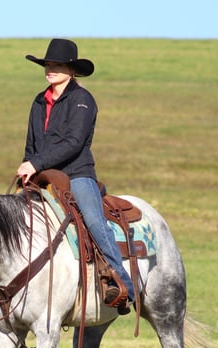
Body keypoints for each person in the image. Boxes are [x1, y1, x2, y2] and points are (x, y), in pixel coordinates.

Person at [17, 38, 135, 312]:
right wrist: (28, 166)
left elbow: (74, 142)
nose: (51, 69)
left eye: (57, 65)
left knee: (94, 220)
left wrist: (36, 163)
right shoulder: (39, 100)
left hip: (76, 173)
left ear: (71, 70)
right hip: (41, 173)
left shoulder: (82, 100)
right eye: (48, 64)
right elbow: (31, 142)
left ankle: (123, 283)